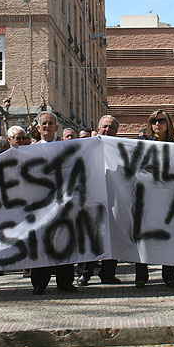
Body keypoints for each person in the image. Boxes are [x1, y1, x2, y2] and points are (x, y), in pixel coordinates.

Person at [30, 111, 77, 295]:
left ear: (57, 128)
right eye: (44, 124)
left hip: (61, 205)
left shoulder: (65, 149)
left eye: (50, 124)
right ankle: (39, 283)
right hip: (39, 206)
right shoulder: (30, 151)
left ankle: (65, 282)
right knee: (41, 245)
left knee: (63, 243)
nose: (47, 127)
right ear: (38, 128)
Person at [76, 115, 121, 286]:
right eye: (105, 127)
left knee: (113, 239)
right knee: (89, 237)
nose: (107, 130)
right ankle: (85, 273)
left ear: (116, 131)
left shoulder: (120, 148)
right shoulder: (87, 146)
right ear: (98, 127)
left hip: (115, 200)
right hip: (90, 201)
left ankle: (108, 273)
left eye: (111, 127)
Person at [134, 110, 174, 289]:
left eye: (161, 121)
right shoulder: (144, 144)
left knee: (168, 237)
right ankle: (141, 276)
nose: (157, 124)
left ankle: (169, 276)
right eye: (153, 121)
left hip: (168, 199)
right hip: (146, 198)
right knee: (143, 238)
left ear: (168, 123)